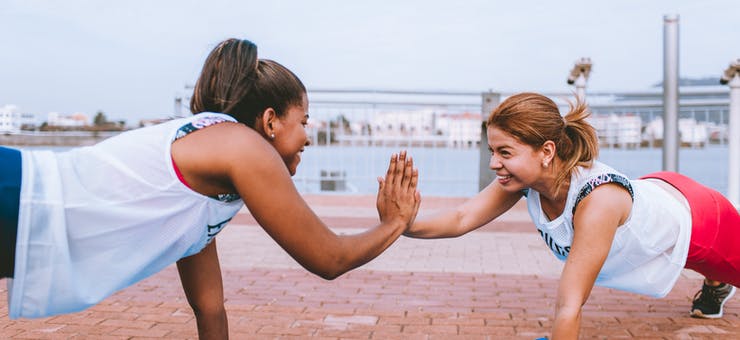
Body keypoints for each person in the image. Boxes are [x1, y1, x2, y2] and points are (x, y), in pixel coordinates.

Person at [0, 38, 421, 339]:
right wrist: (395, 222)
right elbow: (329, 258)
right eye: (304, 122)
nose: (308, 137)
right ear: (271, 121)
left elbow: (209, 307)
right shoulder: (243, 147)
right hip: (20, 195)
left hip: (21, 208)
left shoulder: (210, 181)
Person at [404, 92, 738, 339]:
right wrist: (403, 223)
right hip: (656, 192)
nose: (494, 163)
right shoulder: (523, 180)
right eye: (492, 151)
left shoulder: (598, 202)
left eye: (505, 152)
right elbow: (462, 218)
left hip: (700, 220)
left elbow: (569, 306)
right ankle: (715, 280)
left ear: (546, 151)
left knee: (707, 260)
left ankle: (716, 282)